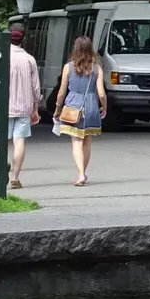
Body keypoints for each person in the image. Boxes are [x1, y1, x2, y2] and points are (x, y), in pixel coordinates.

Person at [52, 35, 107, 186]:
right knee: (87, 142)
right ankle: (83, 172)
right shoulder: (97, 68)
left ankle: (81, 174)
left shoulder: (68, 67)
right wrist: (104, 107)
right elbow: (101, 93)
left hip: (73, 106)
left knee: (76, 142)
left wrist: (57, 108)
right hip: (91, 105)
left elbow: (61, 92)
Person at [4, 26, 43, 187]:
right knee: (19, 141)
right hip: (24, 106)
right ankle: (15, 177)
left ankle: (1, 169)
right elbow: (36, 88)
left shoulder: (2, 57)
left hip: (4, 106)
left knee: (2, 140)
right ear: (23, 39)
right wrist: (35, 108)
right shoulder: (29, 59)